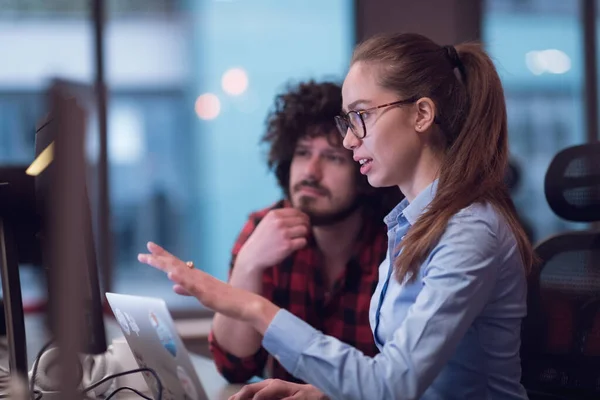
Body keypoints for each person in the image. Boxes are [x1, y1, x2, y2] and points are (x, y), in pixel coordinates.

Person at [138, 32, 535, 400]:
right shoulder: (408, 224)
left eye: (361, 115)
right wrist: (324, 393)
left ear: (421, 114)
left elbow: (394, 385)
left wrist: (251, 307)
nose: (349, 140)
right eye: (347, 121)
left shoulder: (470, 231)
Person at [207, 81, 402, 383]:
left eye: (333, 157)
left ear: (363, 166)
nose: (311, 171)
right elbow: (234, 366)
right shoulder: (265, 229)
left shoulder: (396, 242)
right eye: (302, 152)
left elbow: (404, 380)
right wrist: (248, 265)